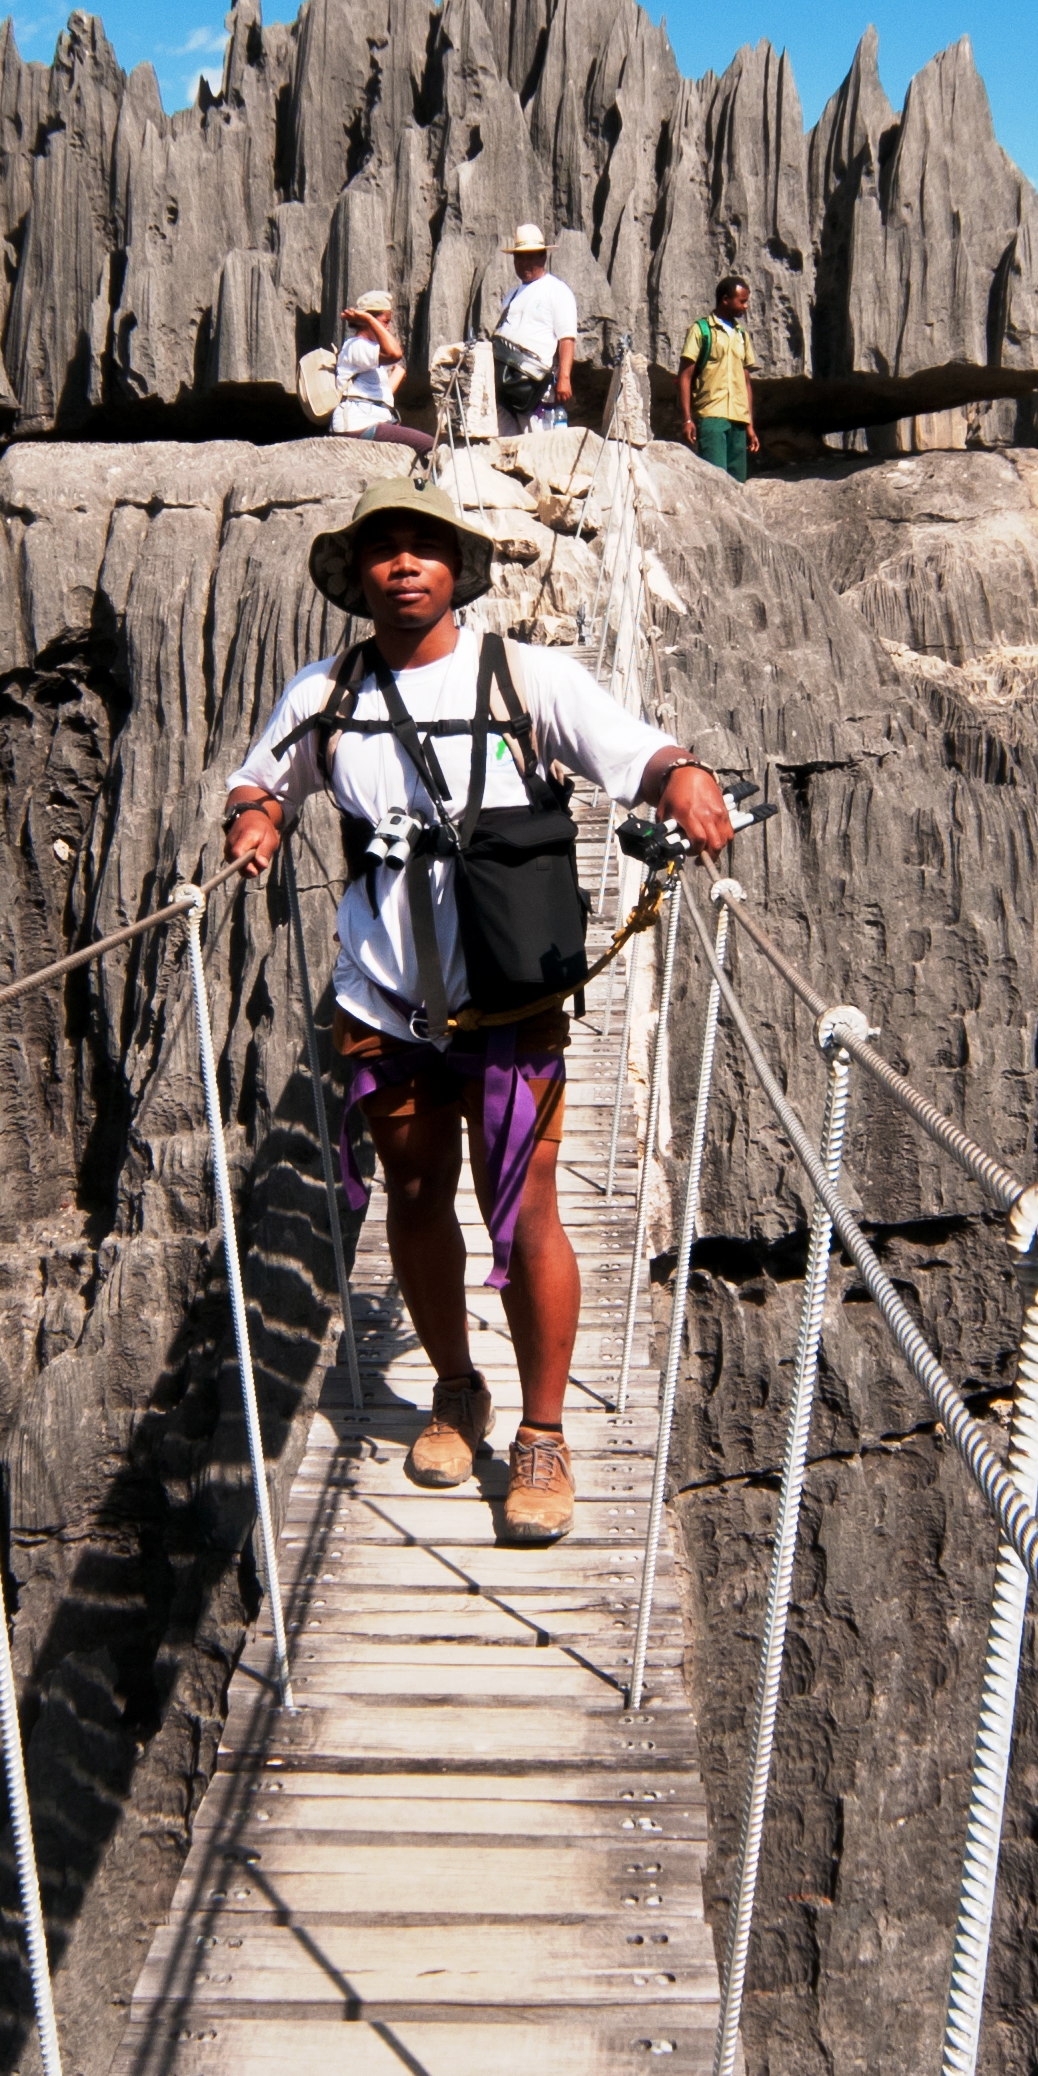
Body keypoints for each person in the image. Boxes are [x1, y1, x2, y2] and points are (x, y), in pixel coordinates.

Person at [221, 475, 734, 1542]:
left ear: (456, 566)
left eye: (424, 546)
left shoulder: (526, 677)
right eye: (383, 550)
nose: (404, 563)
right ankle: (456, 1389)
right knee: (414, 1190)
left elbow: (631, 751)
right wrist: (257, 820)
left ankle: (542, 1434)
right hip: (382, 996)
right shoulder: (325, 693)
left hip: (509, 997)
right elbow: (262, 779)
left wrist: (680, 778)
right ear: (356, 577)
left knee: (526, 1205)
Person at [491, 223, 580, 435]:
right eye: (520, 257)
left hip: (536, 384)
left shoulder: (557, 290)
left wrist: (565, 379)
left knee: (538, 445)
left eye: (530, 256)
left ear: (543, 257)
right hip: (505, 383)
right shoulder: (511, 295)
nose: (524, 263)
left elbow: (566, 338)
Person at [677, 273, 758, 480]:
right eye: (742, 301)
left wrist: (749, 425)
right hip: (711, 415)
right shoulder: (701, 330)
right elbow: (685, 377)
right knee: (715, 480)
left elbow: (746, 382)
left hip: (738, 419)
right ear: (725, 299)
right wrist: (687, 419)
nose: (745, 307)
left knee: (738, 482)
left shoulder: (742, 335)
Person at [330, 288, 432, 452]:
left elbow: (379, 395)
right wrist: (370, 320)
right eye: (385, 321)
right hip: (359, 423)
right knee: (429, 445)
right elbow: (394, 353)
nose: (388, 328)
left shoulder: (367, 351)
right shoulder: (356, 346)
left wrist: (398, 374)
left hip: (369, 421)